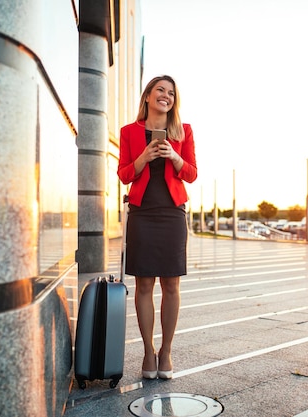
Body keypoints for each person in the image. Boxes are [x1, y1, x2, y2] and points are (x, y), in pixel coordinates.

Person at [117, 75, 197, 379]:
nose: (166, 96)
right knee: (144, 285)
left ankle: (166, 352)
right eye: (160, 90)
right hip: (142, 215)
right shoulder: (128, 132)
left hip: (172, 214)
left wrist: (174, 156)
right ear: (148, 96)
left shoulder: (183, 131)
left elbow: (191, 174)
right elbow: (124, 175)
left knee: (171, 285)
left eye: (171, 93)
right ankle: (148, 352)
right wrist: (143, 158)